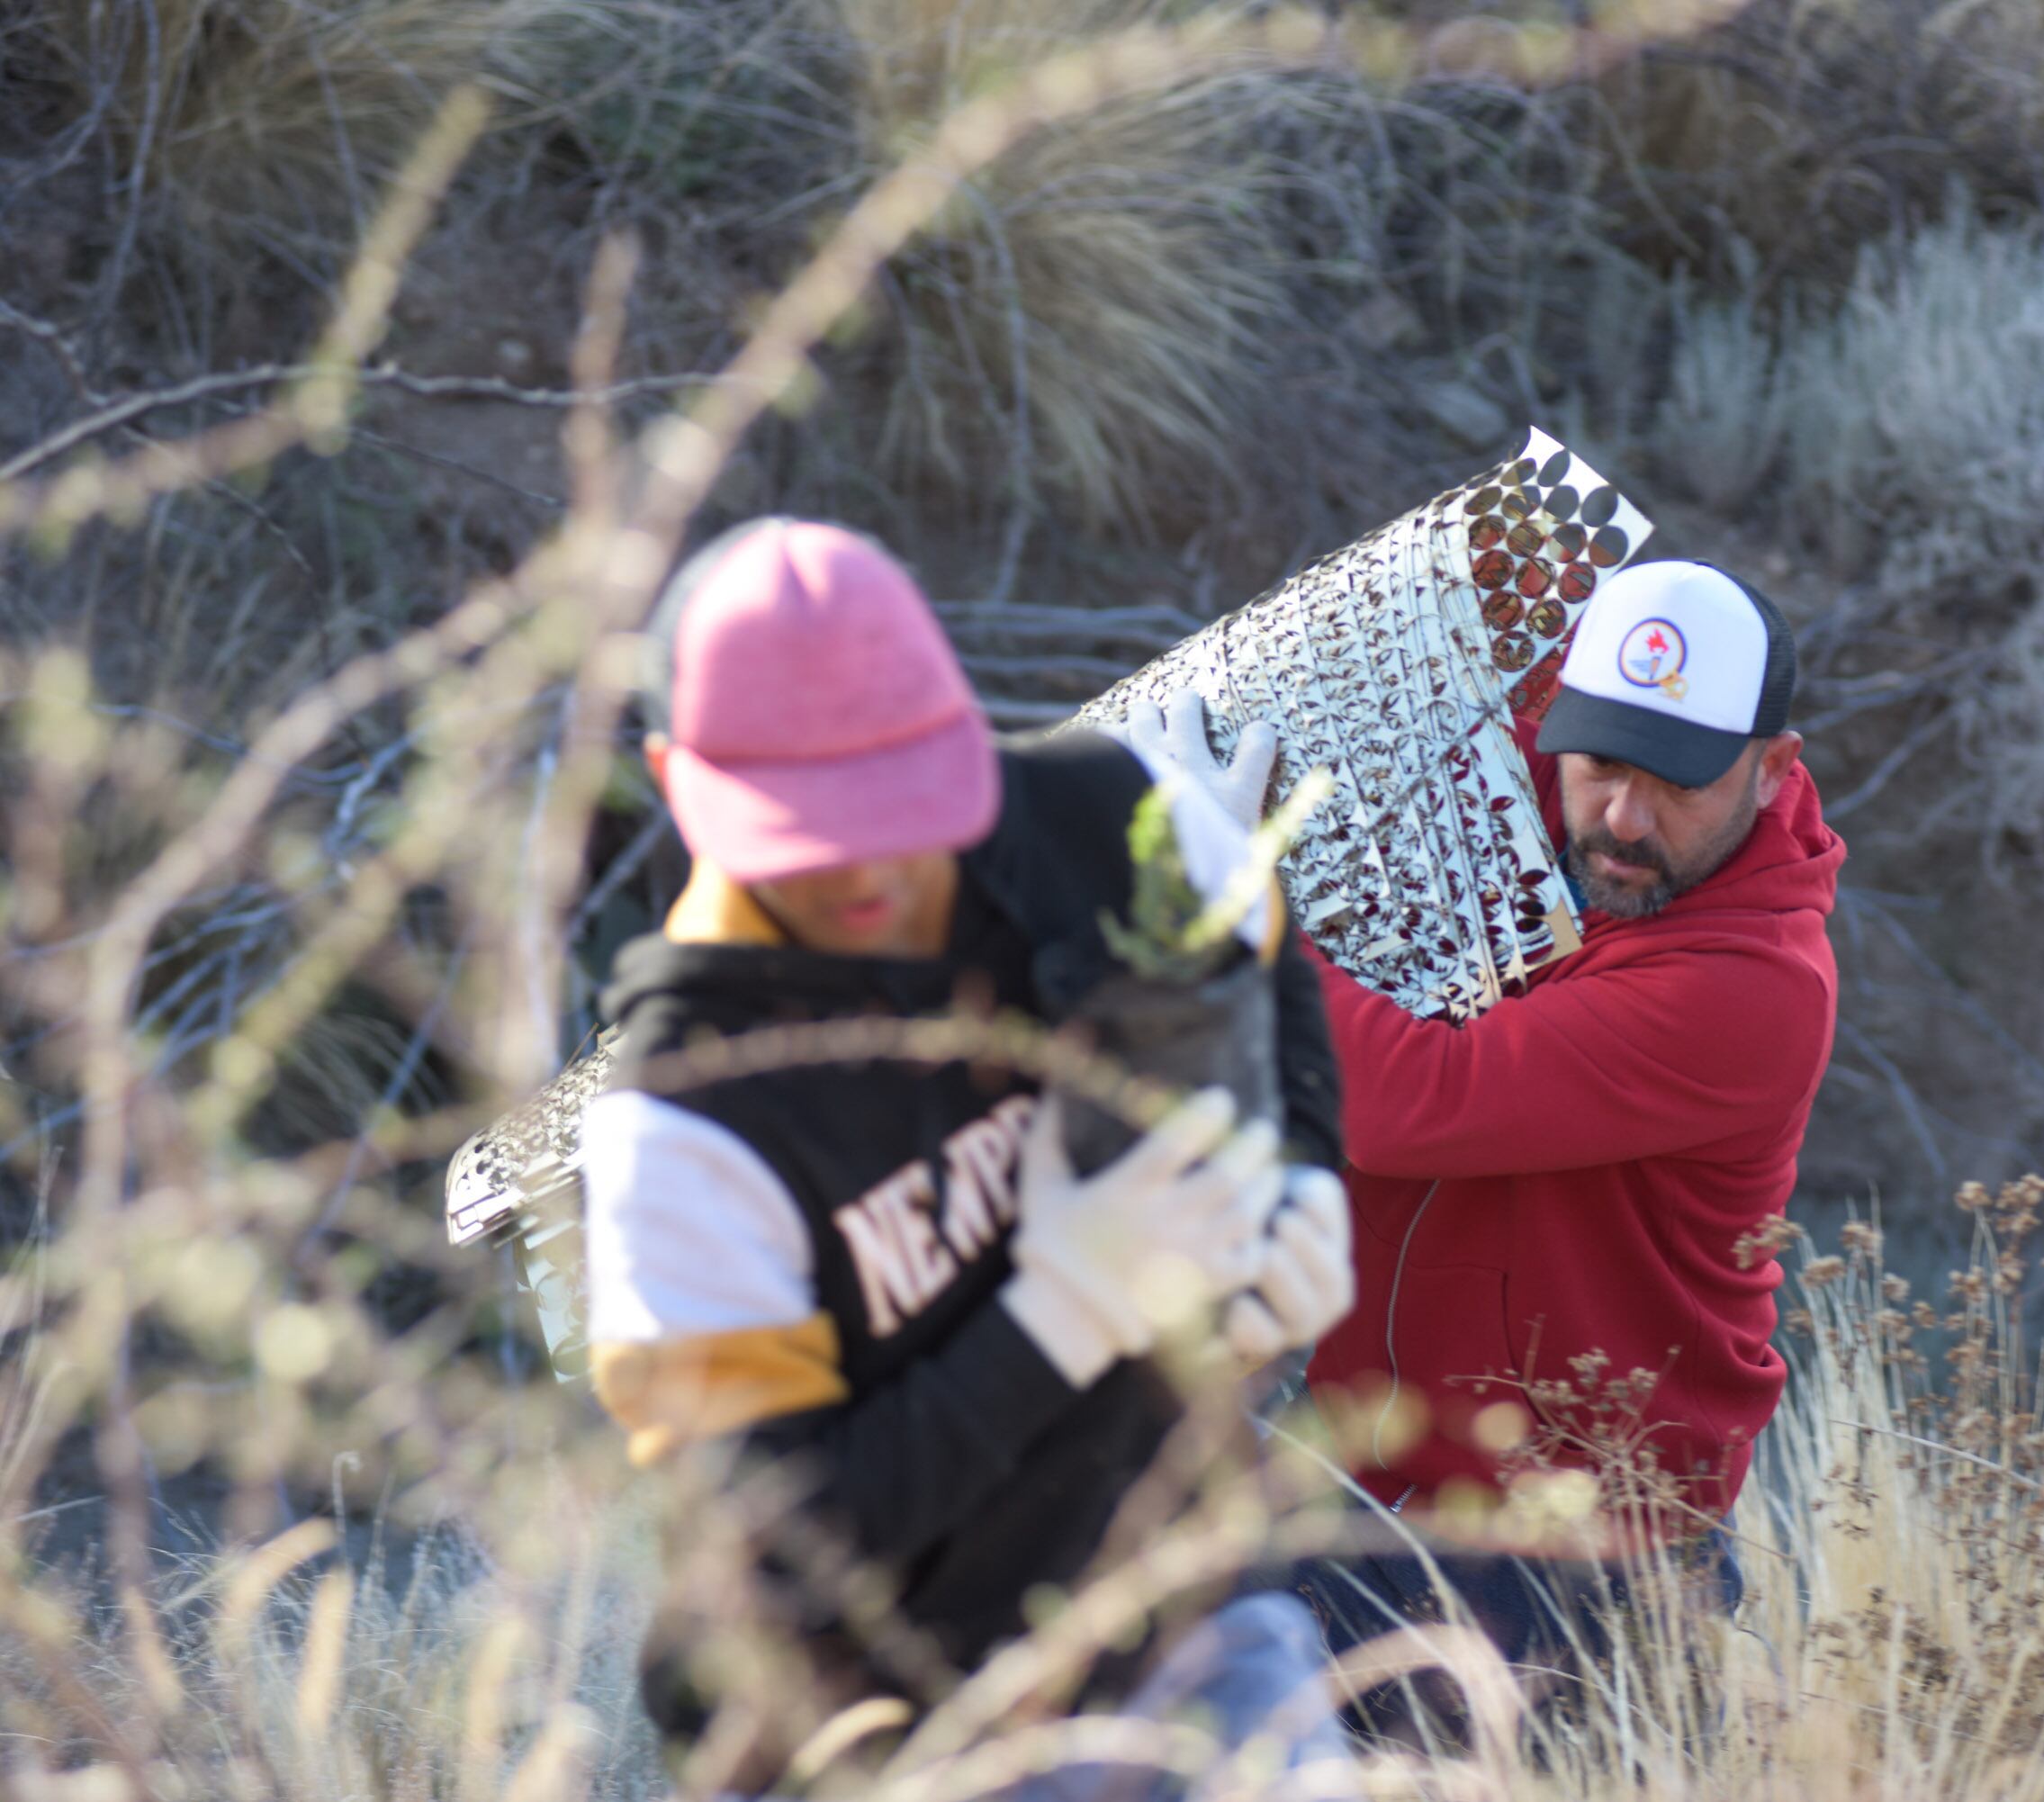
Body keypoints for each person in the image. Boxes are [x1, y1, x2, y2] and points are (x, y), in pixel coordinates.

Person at [575, 518, 1357, 1796]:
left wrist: (1307, 1171)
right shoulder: (682, 1127)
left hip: (1181, 1616)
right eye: (819, 826)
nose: (880, 863)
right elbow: (780, 1559)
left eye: (902, 794)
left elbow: (1266, 963)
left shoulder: (1102, 820)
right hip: (891, 1736)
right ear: (677, 780)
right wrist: (1061, 1310)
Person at [1131, 558, 1843, 1699]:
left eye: (1678, 783)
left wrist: (1231, 898)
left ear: (1772, 771)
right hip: (1360, 1479)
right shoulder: (1546, 791)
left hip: (1578, 1564)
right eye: (1602, 762)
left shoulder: (1754, 987)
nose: (1622, 816)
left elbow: (1410, 1100)